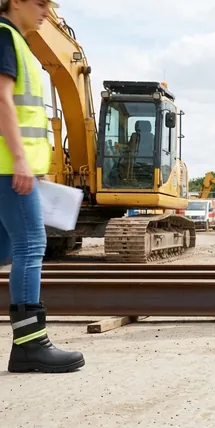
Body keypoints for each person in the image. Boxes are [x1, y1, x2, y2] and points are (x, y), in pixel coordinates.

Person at [0, 0, 84, 373]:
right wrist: (20, 160)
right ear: (14, 1)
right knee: (31, 245)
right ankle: (30, 345)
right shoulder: (5, 38)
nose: (45, 12)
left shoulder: (16, 40)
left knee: (4, 248)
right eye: (39, 3)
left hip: (15, 167)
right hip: (8, 167)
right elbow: (2, 100)